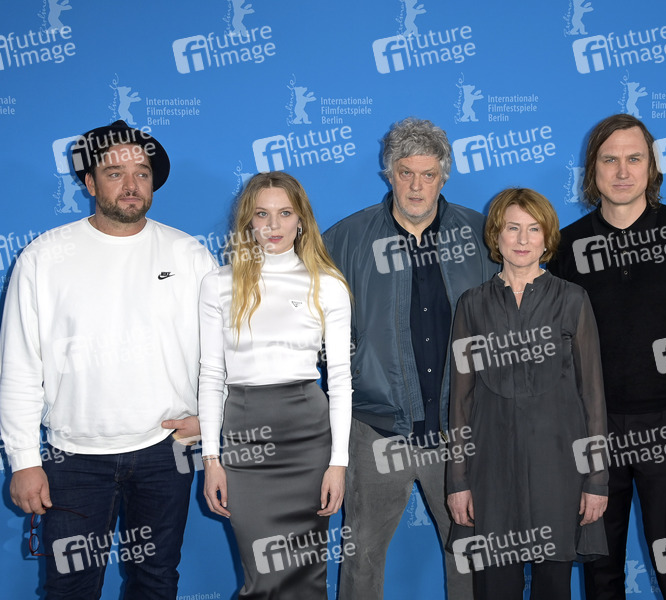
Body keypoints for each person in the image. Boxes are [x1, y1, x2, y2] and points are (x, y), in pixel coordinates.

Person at [0, 120, 217, 599]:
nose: (131, 184)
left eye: (142, 172)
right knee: (69, 588)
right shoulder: (43, 258)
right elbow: (18, 366)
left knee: (156, 581)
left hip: (165, 452)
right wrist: (23, 459)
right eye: (115, 173)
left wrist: (210, 418)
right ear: (90, 182)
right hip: (73, 458)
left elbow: (221, 353)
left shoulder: (189, 255)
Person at [548, 113, 666, 600]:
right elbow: (557, 345)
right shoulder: (568, 244)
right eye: (610, 160)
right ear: (592, 169)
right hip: (594, 429)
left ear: (651, 167)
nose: (622, 171)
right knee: (600, 571)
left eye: (634, 159)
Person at [322, 117, 496, 600]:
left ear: (443, 177)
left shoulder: (481, 237)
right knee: (361, 559)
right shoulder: (345, 239)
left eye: (428, 174)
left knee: (469, 555)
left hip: (458, 429)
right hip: (376, 430)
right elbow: (314, 324)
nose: (416, 186)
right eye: (405, 173)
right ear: (389, 173)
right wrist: (358, 370)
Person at [446, 187, 609, 600]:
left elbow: (592, 397)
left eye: (534, 229)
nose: (522, 240)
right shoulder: (472, 304)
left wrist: (597, 480)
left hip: (559, 472)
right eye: (512, 228)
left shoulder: (573, 299)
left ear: (547, 237)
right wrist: (457, 481)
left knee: (553, 589)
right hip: (490, 474)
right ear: (495, 235)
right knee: (494, 589)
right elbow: (460, 402)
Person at [198, 171, 352, 598]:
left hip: (309, 440)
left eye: (285, 213)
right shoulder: (218, 284)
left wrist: (338, 463)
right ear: (248, 221)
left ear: (301, 219)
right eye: (262, 214)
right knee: (262, 578)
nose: (273, 225)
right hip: (245, 441)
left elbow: (341, 380)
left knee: (306, 576)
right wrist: (211, 458)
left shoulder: (328, 284)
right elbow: (211, 376)